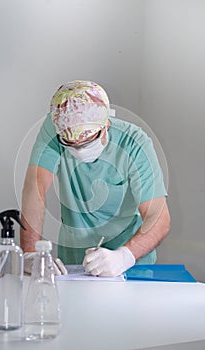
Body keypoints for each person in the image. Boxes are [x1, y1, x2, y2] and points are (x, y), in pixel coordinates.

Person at [20, 80, 170, 277]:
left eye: (86, 142)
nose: (79, 149)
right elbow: (35, 187)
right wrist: (31, 253)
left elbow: (159, 218)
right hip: (74, 260)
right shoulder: (57, 127)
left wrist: (123, 257)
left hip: (131, 261)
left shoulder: (134, 142)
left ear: (105, 126)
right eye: (71, 144)